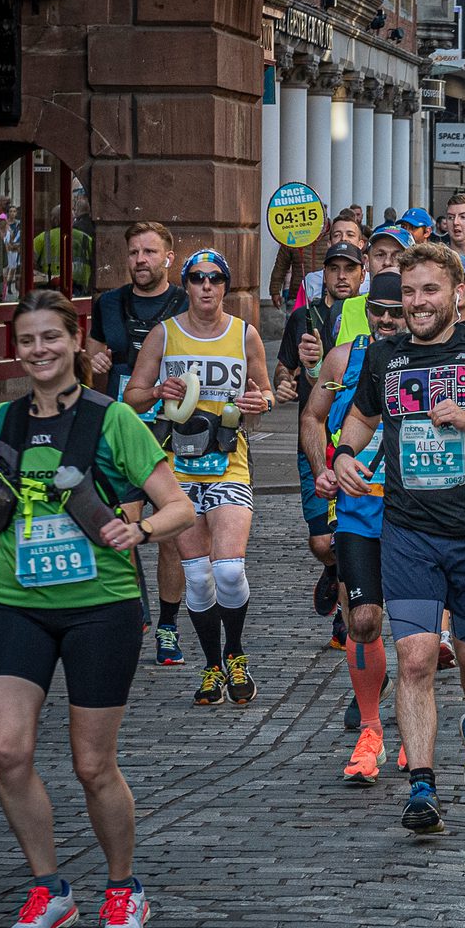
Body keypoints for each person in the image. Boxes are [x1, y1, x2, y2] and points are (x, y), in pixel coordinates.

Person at [0, 290, 194, 928]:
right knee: (7, 748)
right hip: (19, 600)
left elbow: (180, 508)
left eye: (51, 337)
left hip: (99, 608)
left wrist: (135, 529)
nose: (40, 350)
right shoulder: (3, 420)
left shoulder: (113, 421)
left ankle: (122, 888)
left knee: (91, 764)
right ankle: (49, 889)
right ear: (16, 348)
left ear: (74, 341)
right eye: (28, 340)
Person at [332, 243, 465, 833]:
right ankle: (422, 785)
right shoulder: (385, 356)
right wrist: (346, 452)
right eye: (409, 292)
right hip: (408, 532)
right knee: (417, 658)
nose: (418, 302)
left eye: (430, 290)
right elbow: (361, 415)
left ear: (458, 293)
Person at [124, 249, 273, 707]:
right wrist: (155, 392)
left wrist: (260, 402)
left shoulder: (244, 335)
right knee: (199, 579)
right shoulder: (163, 335)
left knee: (228, 569)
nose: (206, 286)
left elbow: (265, 390)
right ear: (185, 285)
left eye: (214, 278)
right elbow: (130, 398)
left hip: (229, 463)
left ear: (226, 286)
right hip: (177, 471)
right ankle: (212, 666)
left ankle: (236, 653)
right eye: (196, 277)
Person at [303, 272, 405, 779]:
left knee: (414, 630)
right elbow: (312, 416)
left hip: (418, 514)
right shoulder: (342, 359)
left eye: (396, 311)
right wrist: (323, 468)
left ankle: (414, 729)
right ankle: (370, 731)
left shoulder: (435, 358)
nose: (386, 320)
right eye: (377, 311)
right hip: (358, 512)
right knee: (363, 622)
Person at [87, 221, 190, 664]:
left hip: (172, 431)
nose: (140, 260)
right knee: (118, 525)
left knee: (170, 534)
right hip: (119, 432)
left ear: (168, 257)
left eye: (149, 252)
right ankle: (134, 610)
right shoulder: (108, 304)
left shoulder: (185, 303)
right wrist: (89, 359)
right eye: (133, 252)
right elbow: (89, 366)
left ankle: (168, 626)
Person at [274, 240, 369, 650]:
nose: (342, 276)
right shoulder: (303, 317)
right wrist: (288, 375)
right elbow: (285, 368)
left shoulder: (374, 315)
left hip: (357, 443)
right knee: (321, 543)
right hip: (313, 440)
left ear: (361, 274)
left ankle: (347, 623)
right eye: (335, 269)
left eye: (350, 268)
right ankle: (333, 572)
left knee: (347, 537)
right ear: (323, 275)